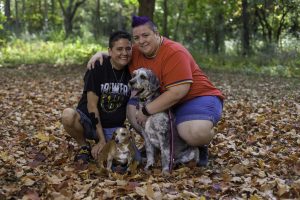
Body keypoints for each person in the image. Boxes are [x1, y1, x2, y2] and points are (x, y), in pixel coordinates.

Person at [87, 16, 224, 167]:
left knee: (193, 133)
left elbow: (178, 92)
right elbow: (119, 53)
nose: (141, 41)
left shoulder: (175, 52)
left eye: (146, 35)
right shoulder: (137, 52)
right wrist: (101, 54)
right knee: (132, 109)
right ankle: (154, 144)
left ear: (157, 34)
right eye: (137, 38)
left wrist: (146, 111)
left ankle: (199, 145)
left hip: (196, 98)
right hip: (163, 99)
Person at [62, 30, 137, 165]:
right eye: (119, 49)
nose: (124, 53)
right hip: (88, 122)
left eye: (128, 49)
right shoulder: (98, 66)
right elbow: (91, 106)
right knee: (67, 115)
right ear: (110, 51)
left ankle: (101, 146)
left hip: (113, 128)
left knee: (126, 161)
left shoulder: (133, 70)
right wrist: (102, 139)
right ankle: (84, 146)